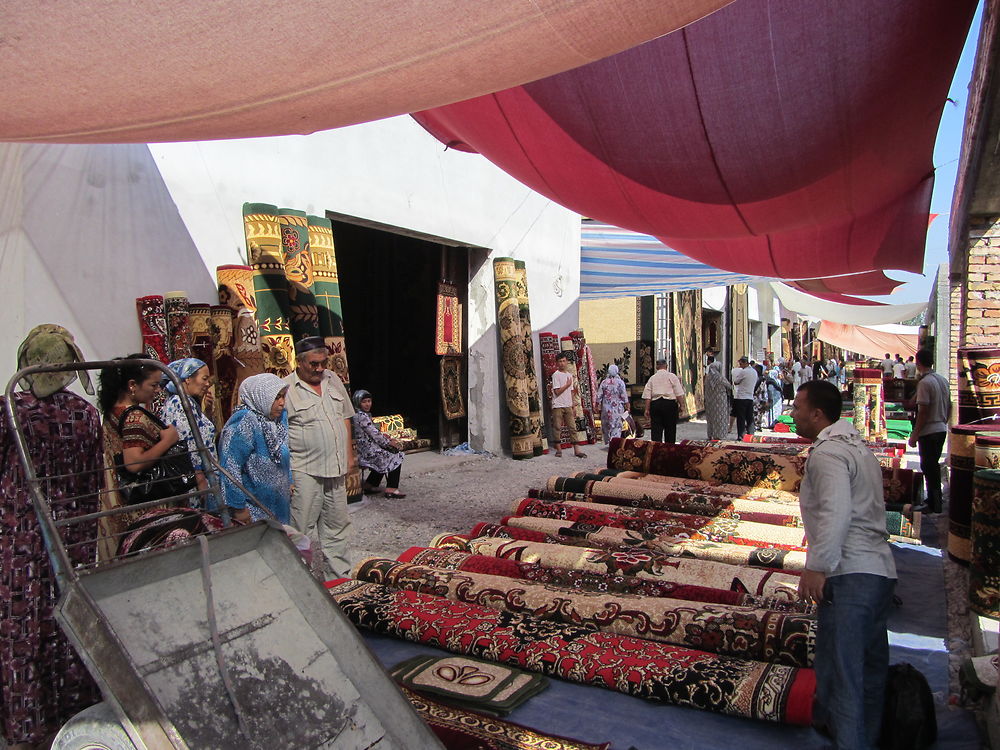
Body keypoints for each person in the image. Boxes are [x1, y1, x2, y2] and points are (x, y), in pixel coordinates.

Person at [2, 325, 100, 748]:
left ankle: (29, 726)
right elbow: (95, 476)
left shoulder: (12, 411)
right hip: (73, 534)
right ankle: (73, 713)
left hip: (21, 538)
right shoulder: (86, 413)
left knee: (23, 625)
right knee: (69, 618)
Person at [792, 380, 897, 749]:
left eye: (798, 407)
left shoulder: (828, 454)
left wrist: (817, 566)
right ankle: (865, 739)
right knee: (868, 673)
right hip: (879, 572)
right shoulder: (856, 447)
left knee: (843, 676)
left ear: (818, 414)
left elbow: (836, 512)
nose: (792, 413)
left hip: (852, 573)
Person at [285, 336, 357, 578]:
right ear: (299, 362)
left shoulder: (333, 379)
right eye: (313, 364)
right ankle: (300, 582)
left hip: (335, 468)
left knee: (337, 529)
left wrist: (349, 455)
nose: (319, 369)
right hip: (305, 470)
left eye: (323, 363)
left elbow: (346, 416)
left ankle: (339, 583)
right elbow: (278, 435)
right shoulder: (287, 390)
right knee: (300, 531)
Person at [219, 373, 292, 524]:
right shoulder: (244, 421)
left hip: (279, 505)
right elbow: (230, 466)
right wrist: (239, 508)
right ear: (261, 396)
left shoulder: (279, 419)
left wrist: (289, 481)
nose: (282, 403)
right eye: (276, 397)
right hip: (253, 508)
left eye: (283, 396)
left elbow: (283, 453)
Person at [160, 357, 218, 508]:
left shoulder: (189, 403)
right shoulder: (179, 404)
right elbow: (188, 444)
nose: (207, 384)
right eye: (204, 378)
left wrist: (209, 412)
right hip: (194, 483)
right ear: (187, 379)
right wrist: (199, 478)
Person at [908, 349, 951, 513]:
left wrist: (915, 434)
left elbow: (923, 411)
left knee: (928, 466)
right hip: (940, 427)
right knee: (931, 465)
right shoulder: (942, 380)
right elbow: (950, 405)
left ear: (918, 363)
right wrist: (943, 420)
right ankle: (934, 500)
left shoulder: (925, 383)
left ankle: (934, 503)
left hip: (930, 430)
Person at [351, 389, 406, 497]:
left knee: (384, 456)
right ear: (358, 402)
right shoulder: (361, 416)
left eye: (369, 401)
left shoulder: (358, 414)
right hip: (365, 451)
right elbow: (374, 434)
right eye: (364, 402)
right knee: (396, 455)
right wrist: (388, 443)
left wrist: (386, 440)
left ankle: (369, 484)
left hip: (364, 448)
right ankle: (391, 489)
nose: (367, 404)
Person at [550, 352, 586, 457]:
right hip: (558, 405)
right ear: (557, 363)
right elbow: (557, 392)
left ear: (567, 362)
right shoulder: (556, 375)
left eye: (564, 361)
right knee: (557, 427)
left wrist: (573, 405)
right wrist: (567, 385)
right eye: (560, 361)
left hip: (567, 405)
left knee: (572, 427)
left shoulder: (569, 375)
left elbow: (571, 392)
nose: (562, 363)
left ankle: (577, 450)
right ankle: (558, 450)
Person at [642, 358, 685, 443]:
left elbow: (648, 396)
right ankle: (669, 449)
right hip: (670, 405)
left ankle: (656, 449)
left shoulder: (652, 378)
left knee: (656, 430)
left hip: (656, 405)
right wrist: (682, 405)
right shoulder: (672, 376)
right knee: (670, 429)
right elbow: (678, 393)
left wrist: (647, 409)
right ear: (666, 366)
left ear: (657, 367)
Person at [597, 364, 629, 446]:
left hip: (606, 408)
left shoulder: (604, 382)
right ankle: (614, 443)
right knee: (617, 426)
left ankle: (609, 441)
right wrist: (627, 405)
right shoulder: (620, 383)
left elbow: (599, 396)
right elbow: (624, 396)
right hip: (617, 408)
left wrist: (597, 405)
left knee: (606, 425)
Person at [704, 357, 733, 440]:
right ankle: (719, 435)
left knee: (711, 418)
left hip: (710, 400)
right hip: (720, 401)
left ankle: (710, 434)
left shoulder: (708, 378)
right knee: (720, 418)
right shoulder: (720, 378)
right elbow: (729, 386)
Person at [731, 356, 757, 439]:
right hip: (750, 397)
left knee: (741, 417)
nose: (740, 365)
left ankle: (741, 435)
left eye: (741, 363)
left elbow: (736, 382)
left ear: (745, 363)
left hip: (742, 397)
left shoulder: (744, 372)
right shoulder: (754, 372)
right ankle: (750, 434)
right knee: (749, 417)